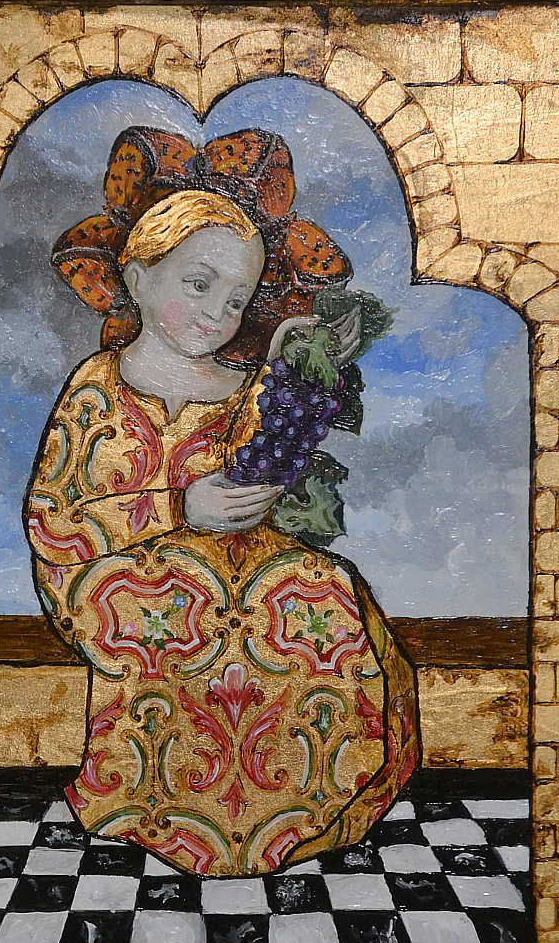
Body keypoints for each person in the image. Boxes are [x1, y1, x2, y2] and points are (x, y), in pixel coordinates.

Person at [24, 127, 419, 876]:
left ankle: (302, 798)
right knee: (188, 603)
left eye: (236, 300)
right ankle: (155, 798)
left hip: (240, 564)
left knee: (320, 588)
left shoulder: (242, 387)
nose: (216, 315)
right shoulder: (95, 387)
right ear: (138, 276)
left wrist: (293, 364)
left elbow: (266, 460)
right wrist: (178, 510)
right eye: (198, 284)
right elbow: (53, 517)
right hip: (119, 579)